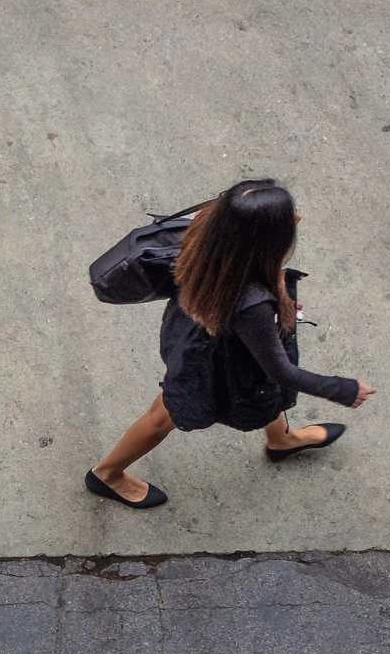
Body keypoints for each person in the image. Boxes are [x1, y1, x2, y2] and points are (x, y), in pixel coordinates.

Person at [87, 178, 375, 509]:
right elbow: (280, 371)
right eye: (287, 219)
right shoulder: (251, 303)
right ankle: (106, 474)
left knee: (262, 391)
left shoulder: (209, 232)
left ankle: (281, 439)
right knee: (165, 413)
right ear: (264, 242)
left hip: (203, 328)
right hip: (207, 360)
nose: (297, 219)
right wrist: (342, 389)